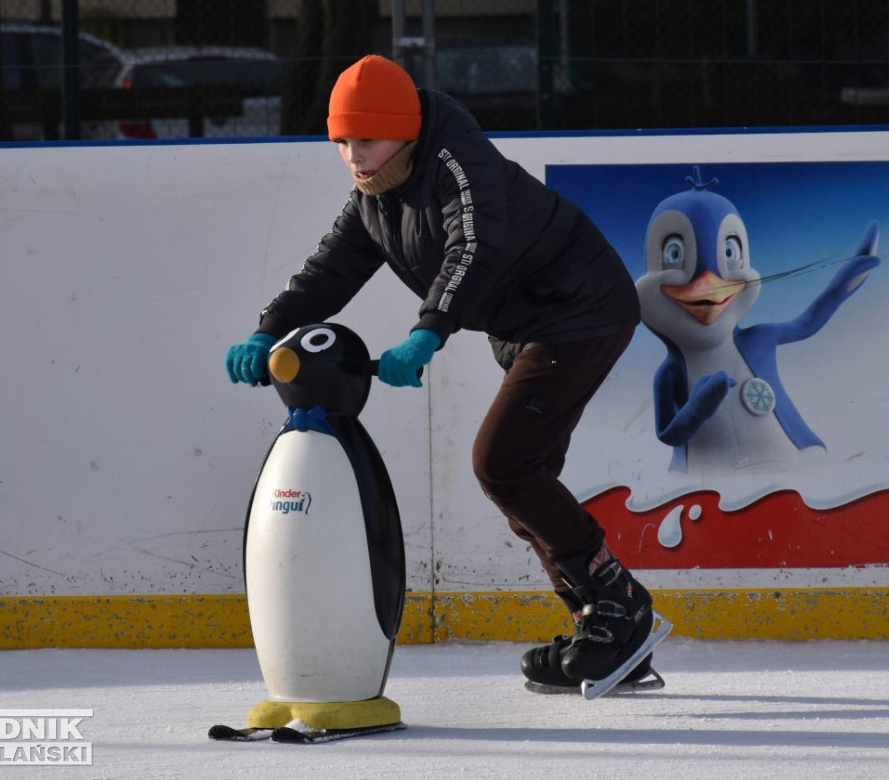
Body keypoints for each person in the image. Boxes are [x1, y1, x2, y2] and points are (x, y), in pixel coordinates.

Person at [226, 54, 656, 690]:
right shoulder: (376, 197)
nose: (352, 155)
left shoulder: (458, 164)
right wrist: (270, 325)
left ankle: (622, 609)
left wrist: (429, 332)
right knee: (525, 488)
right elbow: (330, 270)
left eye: (364, 140)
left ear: (402, 130)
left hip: (580, 308)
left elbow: (474, 249)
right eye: (341, 142)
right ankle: (607, 627)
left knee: (502, 463)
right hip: (527, 327)